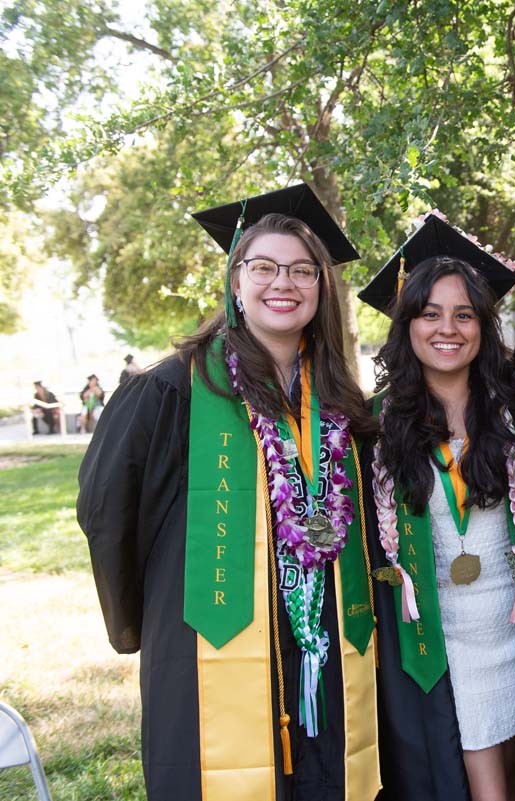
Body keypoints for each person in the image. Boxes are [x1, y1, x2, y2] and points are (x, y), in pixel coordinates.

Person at [77, 184, 383, 801]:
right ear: (234, 281)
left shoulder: (339, 399)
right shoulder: (172, 390)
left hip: (323, 639)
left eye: (303, 271)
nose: (284, 283)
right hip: (209, 643)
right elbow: (109, 511)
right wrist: (152, 614)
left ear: (322, 289)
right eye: (264, 267)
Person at [358, 212, 515, 801]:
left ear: (484, 325)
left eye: (464, 314)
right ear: (406, 325)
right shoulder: (377, 427)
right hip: (444, 634)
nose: (446, 328)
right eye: (429, 313)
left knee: (513, 769)